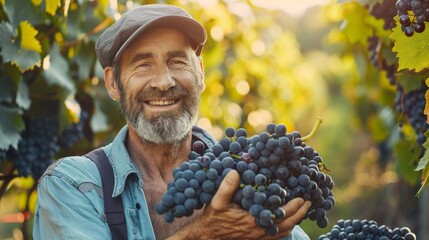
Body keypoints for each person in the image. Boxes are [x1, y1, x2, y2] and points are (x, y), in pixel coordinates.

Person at [33, 4, 311, 240]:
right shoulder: (73, 185)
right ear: (112, 83)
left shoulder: (252, 180)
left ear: (200, 73)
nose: (164, 82)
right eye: (143, 65)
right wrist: (206, 233)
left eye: (177, 62)